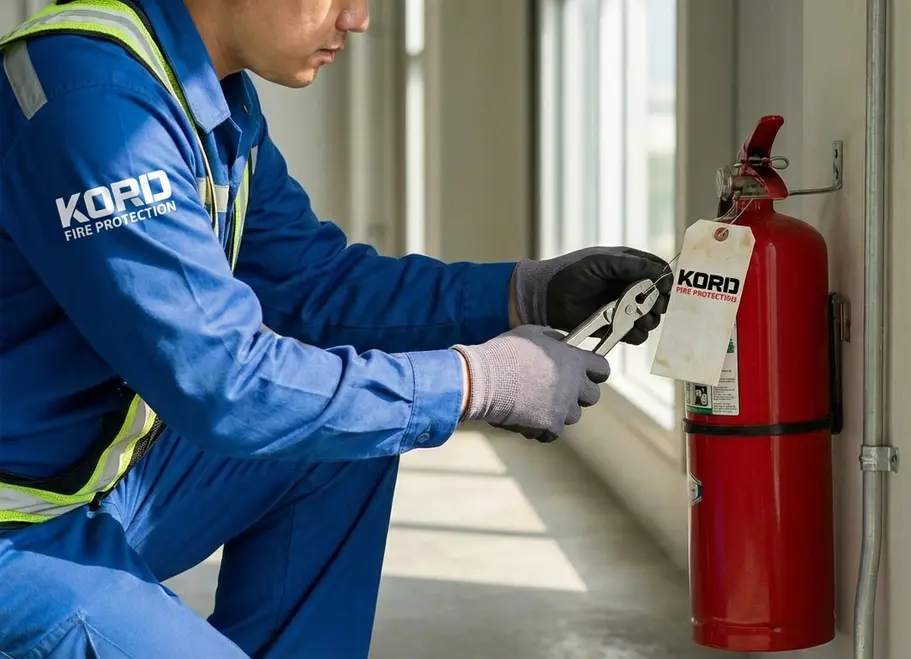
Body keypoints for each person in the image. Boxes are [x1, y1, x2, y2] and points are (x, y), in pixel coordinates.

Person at [0, 0, 672, 656]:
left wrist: (523, 294)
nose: (358, 19)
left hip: (82, 486)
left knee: (345, 441)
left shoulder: (209, 97)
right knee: (341, 405)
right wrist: (473, 382)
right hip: (15, 529)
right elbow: (223, 382)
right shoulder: (95, 102)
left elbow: (315, 282)